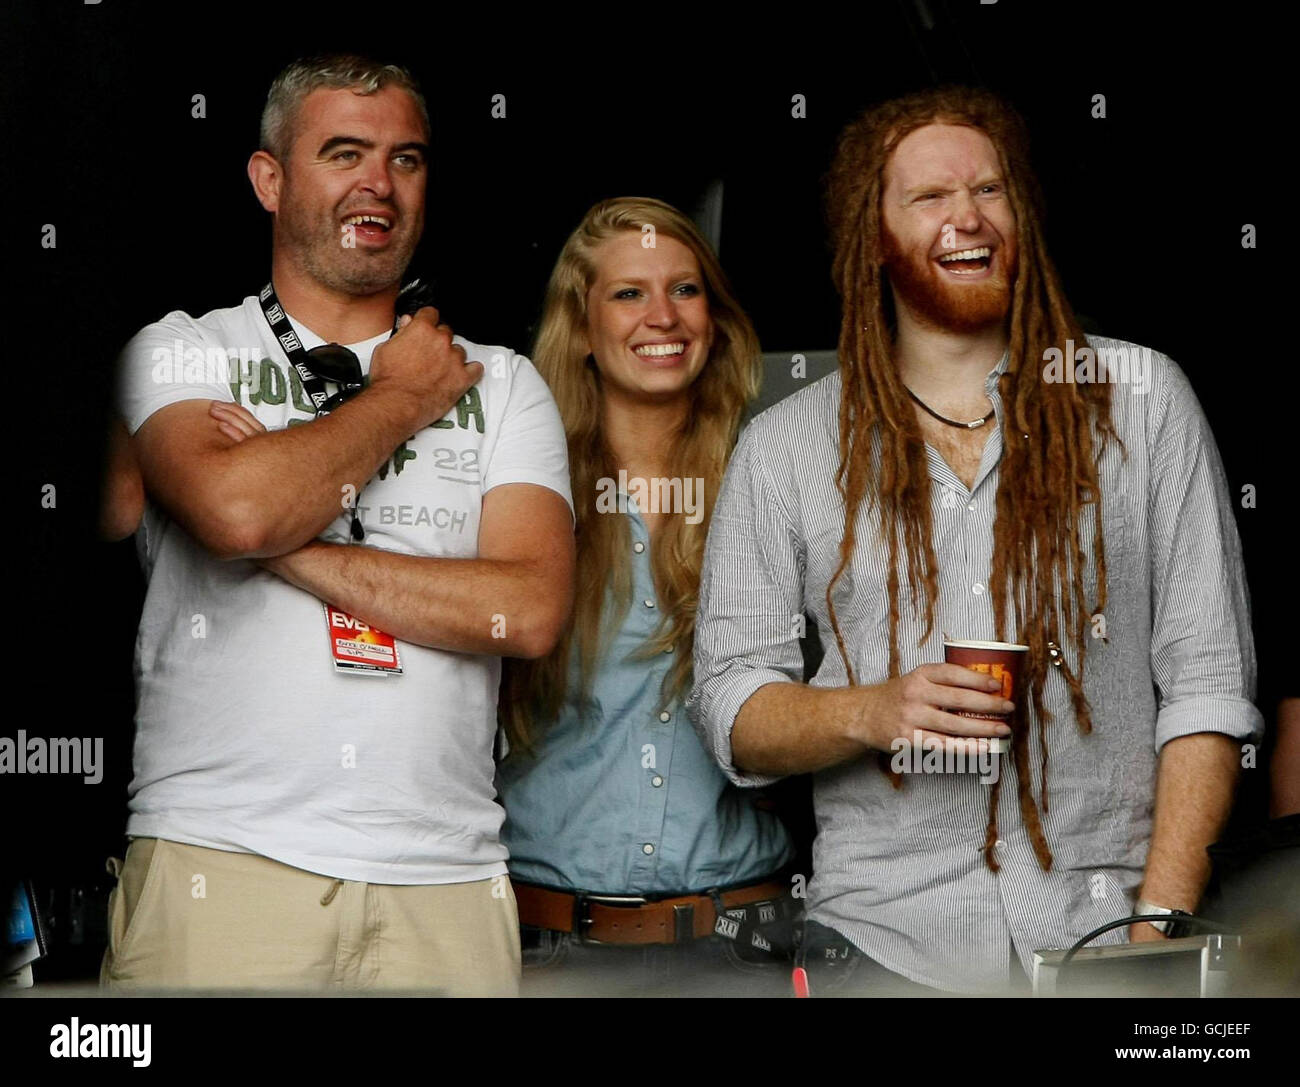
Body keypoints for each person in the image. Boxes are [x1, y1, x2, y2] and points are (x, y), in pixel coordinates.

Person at [689, 86, 1263, 995]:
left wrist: (1154, 930)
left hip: (1103, 934)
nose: (968, 217)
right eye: (929, 197)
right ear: (872, 235)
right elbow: (730, 705)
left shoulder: (1142, 399)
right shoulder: (786, 446)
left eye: (990, 191)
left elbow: (1207, 689)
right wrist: (868, 711)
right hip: (879, 946)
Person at [101, 54, 575, 995]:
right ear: (269, 180)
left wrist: (287, 541)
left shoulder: (501, 380)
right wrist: (399, 398)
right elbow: (238, 508)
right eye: (344, 152)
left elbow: (524, 611)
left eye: (406, 159)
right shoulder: (182, 351)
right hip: (222, 863)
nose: (378, 184)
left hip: (445, 885)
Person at [495, 198, 796, 996]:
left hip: (743, 948)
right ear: (582, 327)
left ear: (716, 315)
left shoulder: (777, 479)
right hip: (548, 947)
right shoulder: (520, 495)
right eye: (629, 293)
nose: (662, 315)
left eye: (685, 290)